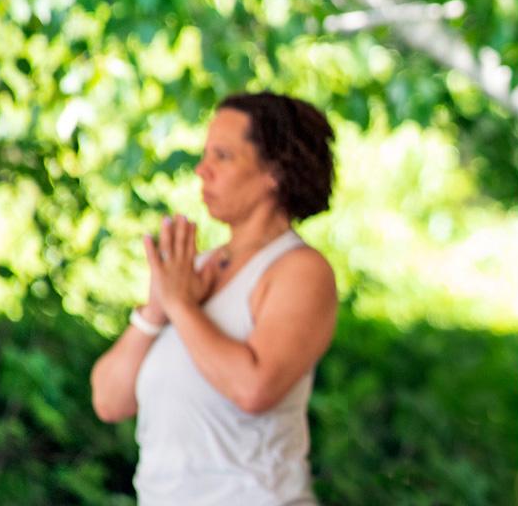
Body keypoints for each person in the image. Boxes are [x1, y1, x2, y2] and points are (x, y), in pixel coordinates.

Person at [90, 92, 338, 505]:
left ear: (275, 171)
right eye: (205, 154)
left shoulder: (299, 271)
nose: (202, 170)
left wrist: (182, 307)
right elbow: (109, 401)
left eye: (222, 156)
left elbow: (253, 389)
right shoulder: (191, 272)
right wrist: (157, 309)